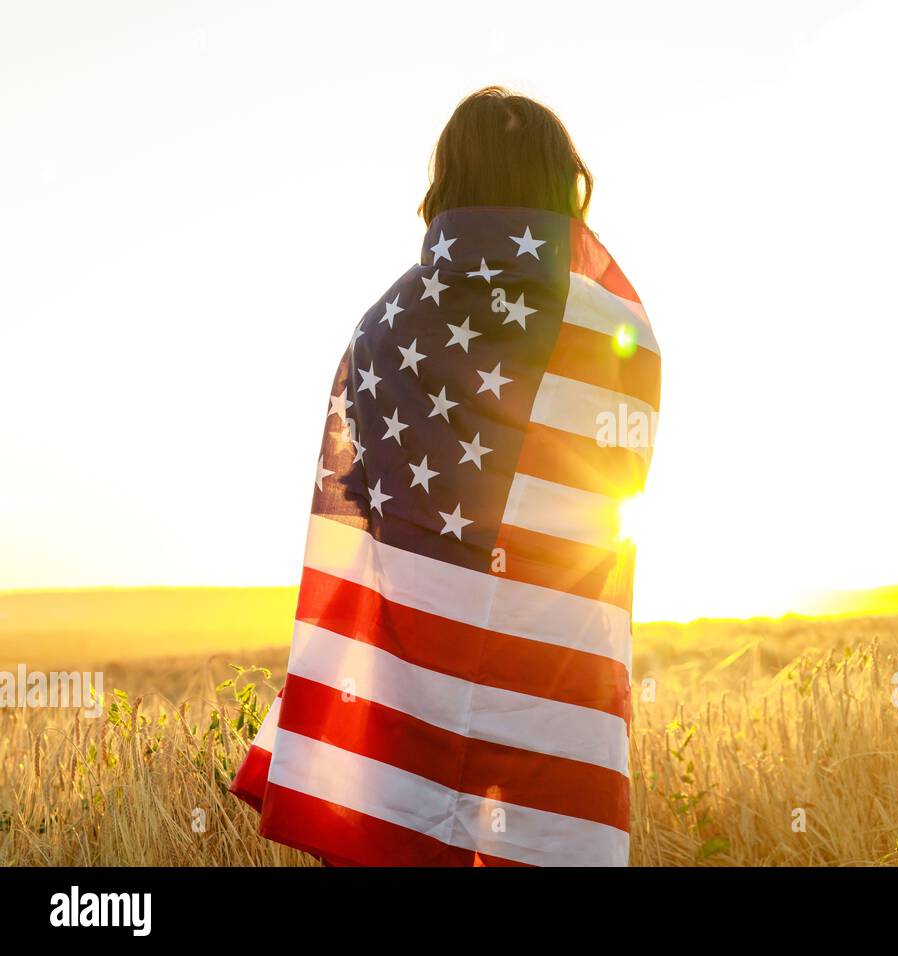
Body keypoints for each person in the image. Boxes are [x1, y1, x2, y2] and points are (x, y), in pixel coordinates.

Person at [230, 86, 661, 866]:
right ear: (561, 182)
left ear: (449, 183)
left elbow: (358, 508)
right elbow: (617, 484)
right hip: (554, 669)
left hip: (408, 676)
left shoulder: (386, 324)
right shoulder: (618, 327)